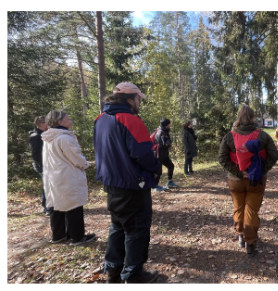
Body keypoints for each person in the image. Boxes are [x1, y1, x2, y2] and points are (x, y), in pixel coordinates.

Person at [94, 82, 161, 283]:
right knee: (136, 229)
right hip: (133, 184)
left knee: (117, 225)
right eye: (138, 98)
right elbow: (143, 153)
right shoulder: (130, 120)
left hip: (111, 182)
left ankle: (113, 269)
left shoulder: (100, 119)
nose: (140, 102)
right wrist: (156, 168)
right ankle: (133, 274)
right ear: (130, 100)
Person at [219, 105, 278, 254]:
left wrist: (239, 174)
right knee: (251, 210)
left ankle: (241, 235)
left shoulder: (229, 136)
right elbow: (274, 156)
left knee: (238, 207)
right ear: (253, 118)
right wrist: (260, 171)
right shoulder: (263, 135)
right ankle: (250, 243)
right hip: (256, 180)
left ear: (239, 118)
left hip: (235, 180)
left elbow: (222, 158)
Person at [41, 110, 97, 246]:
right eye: (68, 118)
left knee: (57, 205)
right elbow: (76, 157)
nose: (71, 120)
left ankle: (58, 235)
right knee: (74, 206)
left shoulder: (49, 138)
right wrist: (85, 164)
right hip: (68, 176)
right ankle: (77, 237)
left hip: (53, 176)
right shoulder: (64, 138)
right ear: (60, 122)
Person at [29, 116, 52, 216]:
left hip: (46, 164)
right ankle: (47, 208)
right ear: (42, 123)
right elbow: (35, 154)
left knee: (47, 185)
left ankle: (47, 206)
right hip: (41, 166)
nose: (49, 124)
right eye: (47, 122)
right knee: (47, 185)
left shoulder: (43, 134)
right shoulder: (35, 136)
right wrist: (42, 166)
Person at [153, 119, 177, 190]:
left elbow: (167, 141)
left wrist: (168, 142)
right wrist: (168, 144)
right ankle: (155, 186)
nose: (170, 125)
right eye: (169, 124)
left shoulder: (165, 131)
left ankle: (170, 182)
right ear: (166, 125)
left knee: (171, 166)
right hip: (158, 154)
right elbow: (161, 144)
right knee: (158, 171)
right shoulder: (160, 132)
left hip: (164, 154)